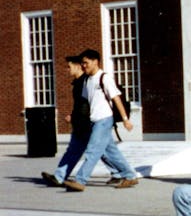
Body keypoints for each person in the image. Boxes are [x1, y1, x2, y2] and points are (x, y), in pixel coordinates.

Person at [63, 49, 139, 192]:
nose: (83, 66)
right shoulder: (87, 80)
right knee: (110, 152)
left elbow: (116, 99)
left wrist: (125, 120)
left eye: (86, 62)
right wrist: (76, 117)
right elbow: (85, 102)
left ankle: (80, 180)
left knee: (92, 150)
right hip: (94, 120)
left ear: (95, 61)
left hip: (104, 119)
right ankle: (129, 175)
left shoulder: (104, 78)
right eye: (82, 63)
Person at [41, 55, 105, 187]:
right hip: (82, 122)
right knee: (79, 150)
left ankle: (124, 173)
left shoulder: (84, 82)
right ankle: (59, 176)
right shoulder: (78, 82)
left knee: (103, 151)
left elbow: (86, 105)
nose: (67, 69)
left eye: (69, 66)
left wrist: (75, 117)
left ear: (77, 66)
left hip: (88, 122)